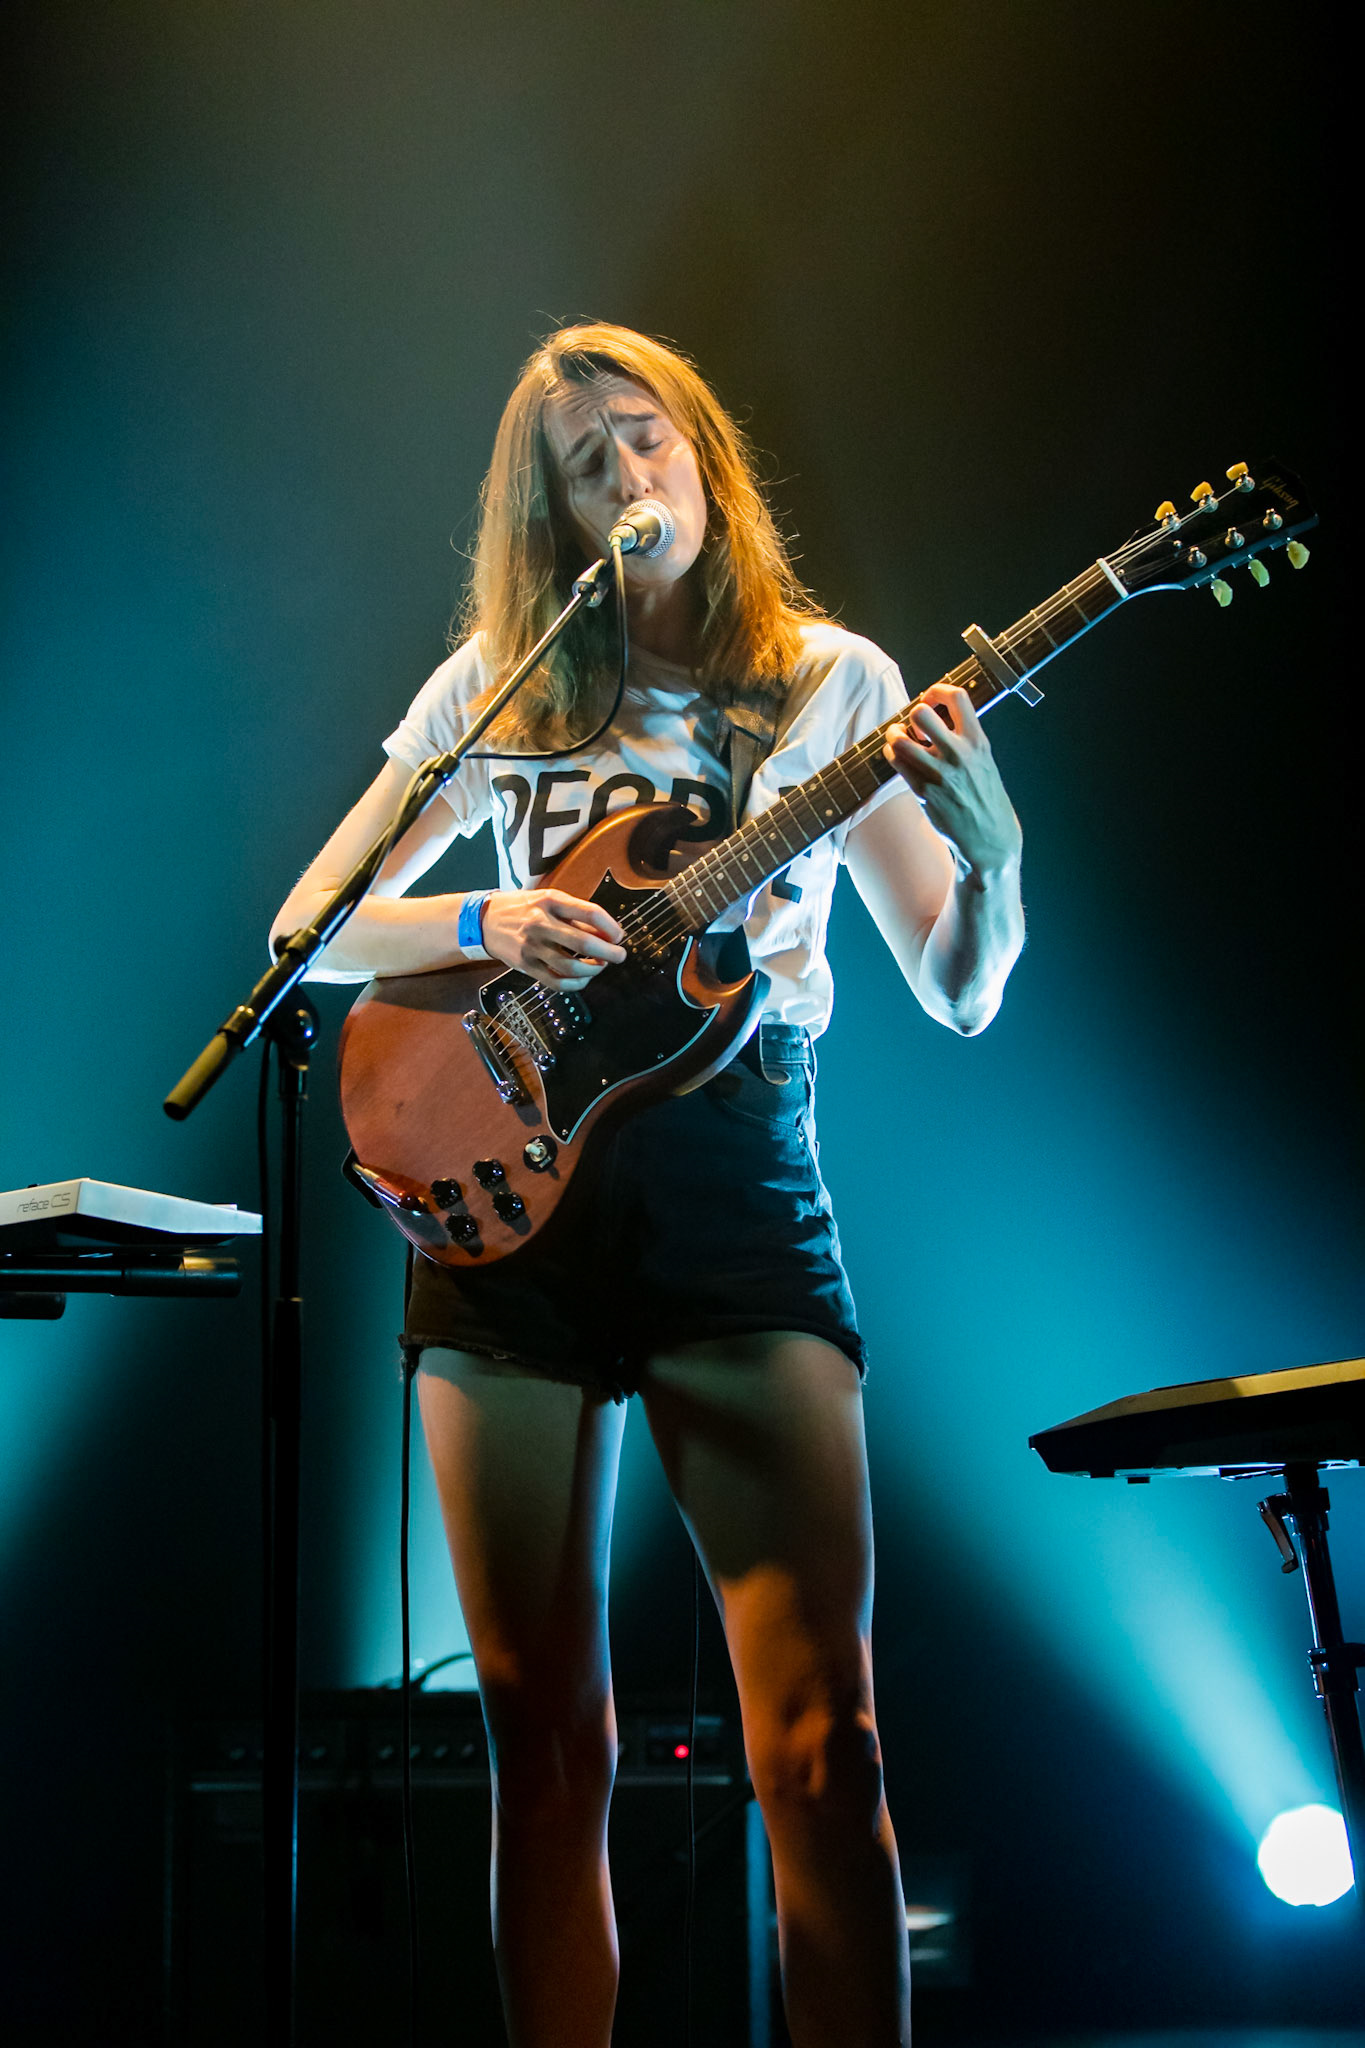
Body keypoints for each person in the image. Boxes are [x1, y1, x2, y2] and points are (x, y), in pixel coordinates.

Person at [270, 322, 1024, 2048]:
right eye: (581, 462)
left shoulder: (825, 680)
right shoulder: (496, 685)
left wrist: (995, 862)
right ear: (545, 514)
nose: (624, 474)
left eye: (644, 436)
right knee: (542, 1743)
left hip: (728, 1185)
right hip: (504, 1194)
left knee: (822, 1739)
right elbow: (307, 929)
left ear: (701, 455)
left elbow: (961, 989)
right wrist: (483, 915)